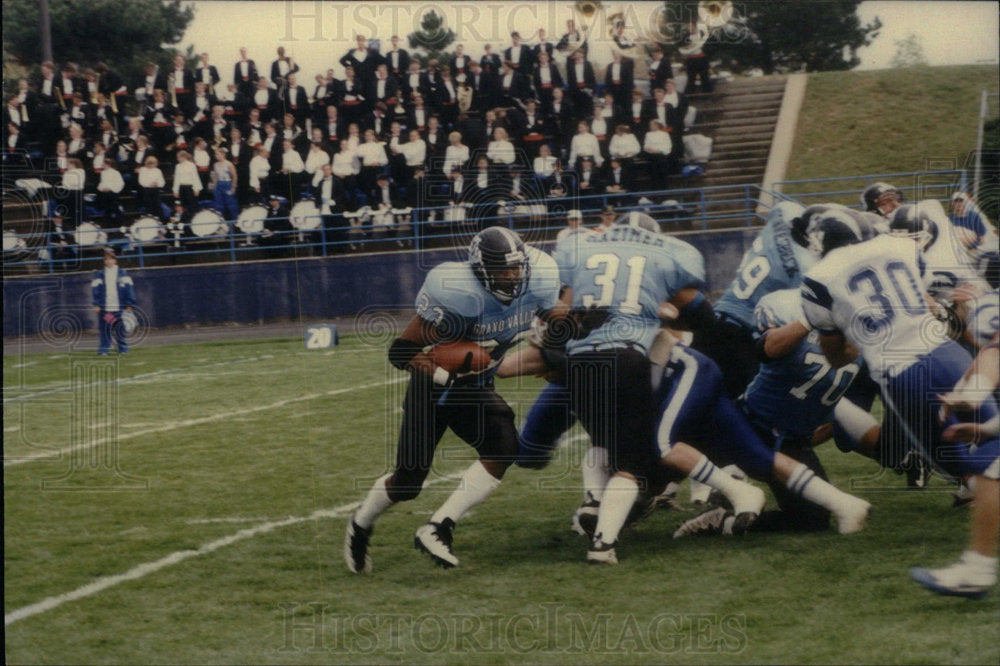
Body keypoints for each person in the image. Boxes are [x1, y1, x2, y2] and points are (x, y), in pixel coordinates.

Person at [798, 208, 999, 598]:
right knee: (985, 461)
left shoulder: (817, 279)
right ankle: (979, 558)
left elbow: (837, 356)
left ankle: (978, 565)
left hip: (903, 372)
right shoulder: (899, 245)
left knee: (968, 465)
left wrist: (860, 333)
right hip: (946, 353)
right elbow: (923, 303)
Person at [344, 226, 562, 573]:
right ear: (480, 271)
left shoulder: (540, 279)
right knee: (408, 481)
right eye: (503, 270)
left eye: (517, 267)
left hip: (475, 387)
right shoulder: (457, 294)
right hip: (434, 387)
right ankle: (360, 523)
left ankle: (438, 527)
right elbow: (401, 351)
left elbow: (557, 316)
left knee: (504, 446)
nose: (513, 276)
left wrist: (580, 322)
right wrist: (447, 374)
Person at [92, 246, 136, 355]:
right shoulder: (100, 274)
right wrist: (96, 304)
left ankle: (123, 348)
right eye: (106, 259)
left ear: (115, 260)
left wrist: (129, 303)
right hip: (106, 308)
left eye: (111, 258)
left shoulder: (122, 273)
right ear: (104, 261)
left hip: (119, 307)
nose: (109, 261)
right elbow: (96, 290)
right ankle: (104, 349)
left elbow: (129, 289)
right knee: (106, 329)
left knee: (119, 329)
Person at [211, 147, 239, 221]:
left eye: (217, 154)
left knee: (231, 205)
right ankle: (221, 223)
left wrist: (233, 187)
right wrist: (214, 186)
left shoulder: (229, 164)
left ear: (223, 154)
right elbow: (215, 176)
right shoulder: (215, 164)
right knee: (219, 205)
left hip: (227, 184)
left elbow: (234, 175)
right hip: (219, 184)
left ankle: (235, 222)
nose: (216, 156)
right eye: (215, 154)